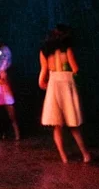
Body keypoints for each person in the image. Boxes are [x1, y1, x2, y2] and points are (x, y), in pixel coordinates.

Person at [39, 25, 91, 163]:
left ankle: (64, 157)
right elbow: (75, 69)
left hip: (54, 83)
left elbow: (43, 70)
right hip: (66, 83)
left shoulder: (44, 51)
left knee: (57, 125)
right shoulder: (66, 49)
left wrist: (41, 82)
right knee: (73, 123)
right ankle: (85, 154)